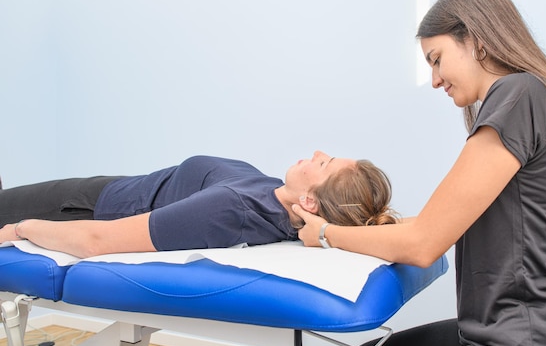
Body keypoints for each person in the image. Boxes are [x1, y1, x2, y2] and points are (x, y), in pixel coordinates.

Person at [292, 0, 546, 346]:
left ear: (475, 39)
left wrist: (325, 234)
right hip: (523, 335)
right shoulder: (535, 95)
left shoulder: (520, 94)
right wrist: (363, 225)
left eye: (437, 59)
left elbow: (425, 243)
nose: (436, 79)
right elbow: (447, 221)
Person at [0, 151, 397, 258]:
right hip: (109, 190)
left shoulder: (232, 209)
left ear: (309, 201)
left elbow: (94, 241)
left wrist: (22, 229)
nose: (317, 152)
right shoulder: (273, 197)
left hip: (82, 208)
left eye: (324, 163)